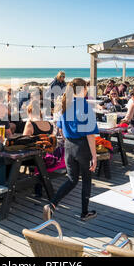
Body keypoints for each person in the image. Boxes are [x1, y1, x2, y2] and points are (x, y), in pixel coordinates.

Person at [42, 78, 99, 222]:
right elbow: (90, 134)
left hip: (69, 147)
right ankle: (84, 212)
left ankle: (52, 204)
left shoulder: (65, 105)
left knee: (72, 180)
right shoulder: (85, 106)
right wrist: (94, 155)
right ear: (83, 89)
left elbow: (60, 129)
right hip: (82, 147)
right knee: (86, 180)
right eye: (86, 87)